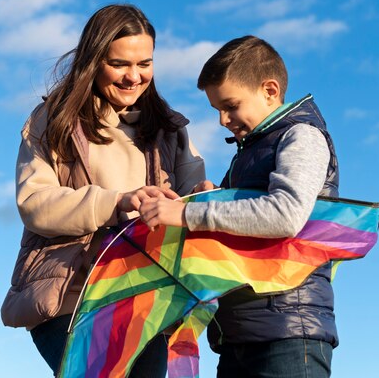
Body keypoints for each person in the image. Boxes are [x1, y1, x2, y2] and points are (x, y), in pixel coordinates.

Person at [0, 4, 206, 377]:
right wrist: (118, 201)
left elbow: (193, 194)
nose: (133, 76)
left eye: (144, 64)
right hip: (71, 299)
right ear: (93, 61)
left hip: (147, 298)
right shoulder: (52, 119)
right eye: (119, 64)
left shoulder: (170, 129)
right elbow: (35, 203)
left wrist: (203, 198)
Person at [139, 35, 340, 378]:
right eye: (217, 109)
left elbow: (285, 213)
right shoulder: (249, 152)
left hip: (288, 333)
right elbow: (243, 219)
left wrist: (188, 214)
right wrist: (212, 196)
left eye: (230, 106)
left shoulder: (301, 136)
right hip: (239, 333)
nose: (222, 120)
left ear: (270, 91)